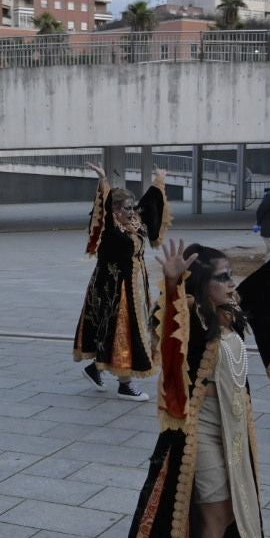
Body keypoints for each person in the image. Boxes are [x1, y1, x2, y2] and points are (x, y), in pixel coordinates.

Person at [124, 238, 270, 538]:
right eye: (222, 278)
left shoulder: (228, 311)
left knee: (209, 509)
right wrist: (172, 286)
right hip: (197, 432)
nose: (231, 283)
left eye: (230, 275)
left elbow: (262, 297)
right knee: (218, 509)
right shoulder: (193, 319)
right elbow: (172, 337)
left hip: (232, 429)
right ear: (201, 284)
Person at [74, 164, 170, 400]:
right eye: (126, 208)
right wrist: (104, 180)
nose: (132, 211)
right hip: (117, 289)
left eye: (132, 207)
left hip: (136, 286)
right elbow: (103, 210)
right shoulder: (110, 230)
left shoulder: (134, 222)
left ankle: (95, 368)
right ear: (115, 209)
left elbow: (148, 204)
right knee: (124, 332)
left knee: (118, 332)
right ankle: (125, 384)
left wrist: (159, 180)